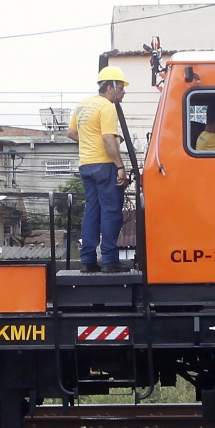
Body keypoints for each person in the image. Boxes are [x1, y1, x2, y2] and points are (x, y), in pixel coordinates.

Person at [65, 66, 129, 273]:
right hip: (104, 166)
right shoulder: (106, 107)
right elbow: (108, 138)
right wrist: (120, 166)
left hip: (86, 165)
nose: (123, 92)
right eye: (121, 88)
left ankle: (88, 261)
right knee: (111, 212)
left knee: (92, 211)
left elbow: (71, 132)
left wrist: (89, 143)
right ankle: (110, 260)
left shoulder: (82, 105)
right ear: (110, 87)